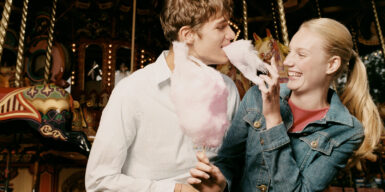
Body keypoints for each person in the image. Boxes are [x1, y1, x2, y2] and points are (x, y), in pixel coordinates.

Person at [188, 18, 384, 192]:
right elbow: (228, 160)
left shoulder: (346, 131)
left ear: (331, 64)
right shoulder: (256, 96)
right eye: (290, 52)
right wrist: (221, 183)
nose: (288, 61)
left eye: (301, 54)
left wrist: (273, 119)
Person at [85, 0, 240, 192]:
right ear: (188, 35)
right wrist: (176, 190)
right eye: (221, 27)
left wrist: (223, 184)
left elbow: (235, 164)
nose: (232, 35)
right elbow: (98, 181)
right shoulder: (132, 91)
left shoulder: (228, 90)